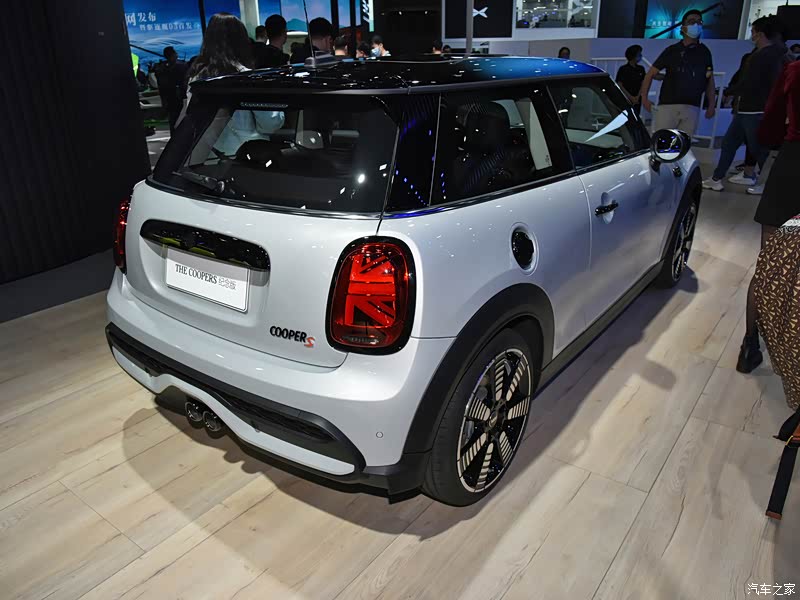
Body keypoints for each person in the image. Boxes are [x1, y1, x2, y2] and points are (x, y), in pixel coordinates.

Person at [736, 58, 800, 373]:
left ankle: (749, 346)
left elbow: (771, 119)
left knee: (769, 265)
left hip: (791, 166)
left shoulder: (794, 69)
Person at [702, 16, 787, 192]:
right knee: (731, 143)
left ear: (760, 34)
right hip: (750, 109)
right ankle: (717, 178)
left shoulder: (763, 56)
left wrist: (728, 91)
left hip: (754, 109)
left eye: (753, 32)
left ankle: (768, 185)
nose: (751, 36)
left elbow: (749, 82)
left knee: (758, 149)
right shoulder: (775, 55)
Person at [641, 9, 716, 136]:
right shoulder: (672, 51)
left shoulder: (704, 52)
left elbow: (709, 79)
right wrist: (644, 98)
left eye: (699, 22)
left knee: (684, 143)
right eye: (692, 22)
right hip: (668, 105)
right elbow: (650, 74)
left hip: (692, 106)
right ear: (683, 27)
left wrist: (711, 104)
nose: (696, 25)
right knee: (663, 141)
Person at [157, 46, 189, 133]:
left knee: (174, 121)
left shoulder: (161, 69)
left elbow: (161, 87)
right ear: (173, 55)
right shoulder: (181, 66)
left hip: (171, 99)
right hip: (179, 98)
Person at [616, 45, 646, 114]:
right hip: (625, 98)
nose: (640, 56)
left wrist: (637, 97)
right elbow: (620, 84)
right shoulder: (623, 69)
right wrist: (630, 97)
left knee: (636, 115)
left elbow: (643, 83)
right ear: (633, 56)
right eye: (639, 54)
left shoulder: (641, 69)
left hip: (637, 99)